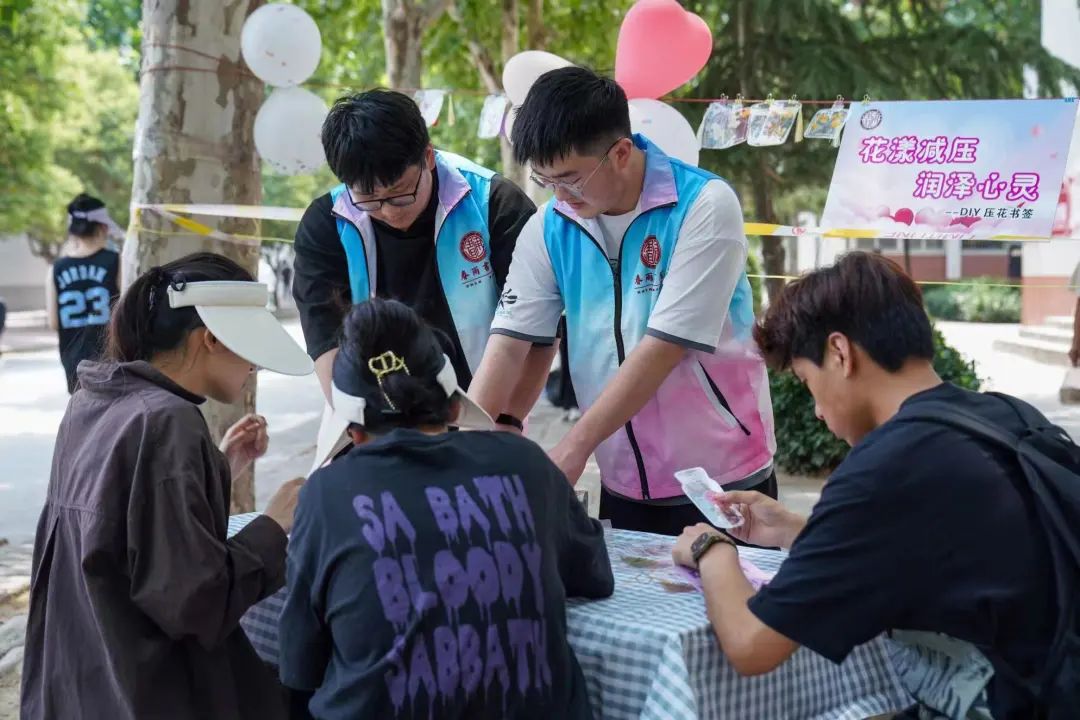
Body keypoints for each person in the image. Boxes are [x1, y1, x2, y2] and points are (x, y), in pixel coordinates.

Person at [670, 251, 1065, 719]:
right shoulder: (1002, 415)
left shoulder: (887, 467)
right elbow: (934, 551)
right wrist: (794, 531)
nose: (817, 410)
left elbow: (751, 645)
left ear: (840, 353)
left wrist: (711, 550)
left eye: (806, 381)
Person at [468, 67, 776, 535]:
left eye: (570, 179)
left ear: (621, 152)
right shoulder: (549, 227)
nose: (560, 197)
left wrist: (574, 448)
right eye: (546, 181)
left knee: (729, 607)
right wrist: (460, 444)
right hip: (624, 481)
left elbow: (661, 351)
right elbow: (510, 341)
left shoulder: (703, 206)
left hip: (721, 477)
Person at [279, 298, 614, 720]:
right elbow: (595, 576)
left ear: (353, 434)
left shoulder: (325, 495)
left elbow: (300, 664)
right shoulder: (525, 462)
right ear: (455, 405)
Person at [21, 253, 315, 719]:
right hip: (145, 692)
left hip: (80, 682)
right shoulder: (170, 420)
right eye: (252, 353)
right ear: (212, 339)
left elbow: (126, 525)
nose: (256, 369)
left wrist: (221, 466)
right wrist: (274, 526)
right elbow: (196, 602)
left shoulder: (97, 399)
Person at [293, 90, 553, 465]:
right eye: (368, 198)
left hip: (483, 417)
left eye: (400, 194)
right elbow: (326, 345)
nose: (387, 211)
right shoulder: (325, 225)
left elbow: (539, 335)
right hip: (373, 427)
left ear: (428, 157)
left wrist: (507, 421)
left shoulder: (496, 205)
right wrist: (368, 434)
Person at [45, 193, 123, 393]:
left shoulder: (56, 269)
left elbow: (54, 322)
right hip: (110, 359)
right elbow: (125, 310)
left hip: (73, 362)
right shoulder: (115, 261)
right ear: (103, 228)